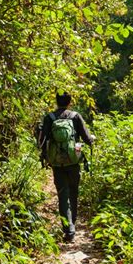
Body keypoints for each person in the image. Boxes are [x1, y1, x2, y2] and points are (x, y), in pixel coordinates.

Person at [40, 92, 94, 242]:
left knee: (62, 194)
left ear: (56, 102)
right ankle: (73, 222)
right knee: (73, 191)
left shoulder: (49, 118)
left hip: (57, 162)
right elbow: (86, 138)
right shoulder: (76, 116)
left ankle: (68, 229)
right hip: (73, 160)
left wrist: (45, 156)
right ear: (70, 102)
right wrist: (91, 141)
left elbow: (42, 142)